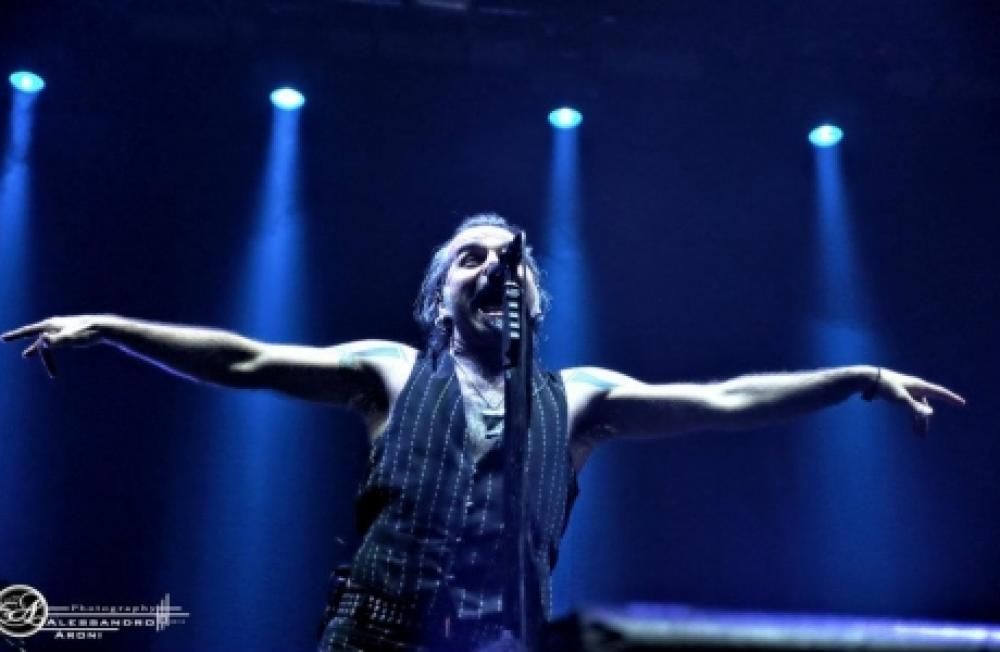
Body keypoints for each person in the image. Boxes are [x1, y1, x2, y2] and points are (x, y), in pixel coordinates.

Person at [2, 213, 965, 651]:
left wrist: (856, 378)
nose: (495, 267)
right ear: (440, 294)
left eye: (512, 260)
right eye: (471, 257)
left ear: (534, 298)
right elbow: (244, 359)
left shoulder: (579, 396)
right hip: (372, 637)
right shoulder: (389, 370)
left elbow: (725, 399)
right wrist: (112, 327)